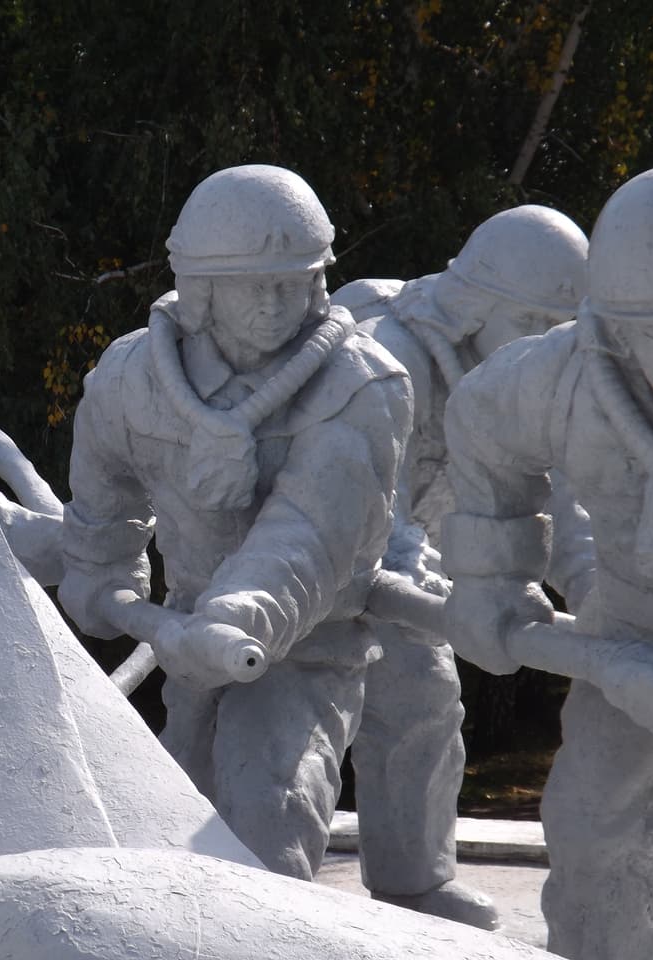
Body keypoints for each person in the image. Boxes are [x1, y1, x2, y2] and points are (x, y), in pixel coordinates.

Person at [59, 164, 414, 878]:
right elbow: (105, 495)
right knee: (167, 827)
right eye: (254, 285)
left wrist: (236, 619)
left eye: (294, 281)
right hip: (189, 637)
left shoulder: (360, 386)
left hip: (309, 647)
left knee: (269, 815)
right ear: (201, 289)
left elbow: (307, 536)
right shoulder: (134, 379)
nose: (276, 304)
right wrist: (103, 574)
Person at [441, 160, 653, 959]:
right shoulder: (565, 377)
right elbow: (478, 425)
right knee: (590, 830)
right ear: (610, 322)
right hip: (627, 628)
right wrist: (493, 581)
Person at [330, 206, 592, 928]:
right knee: (304, 729)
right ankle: (255, 881)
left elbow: (569, 504)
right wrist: (443, 593)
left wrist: (604, 598)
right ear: (475, 306)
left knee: (425, 704)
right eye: (530, 321)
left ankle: (414, 882)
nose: (544, 344)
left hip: (403, 568)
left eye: (557, 328)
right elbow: (359, 502)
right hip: (310, 566)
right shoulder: (390, 357)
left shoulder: (528, 379)